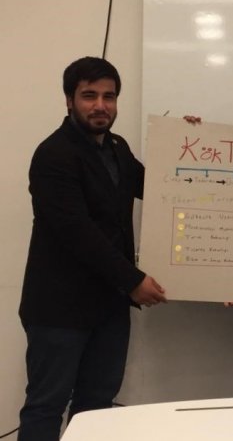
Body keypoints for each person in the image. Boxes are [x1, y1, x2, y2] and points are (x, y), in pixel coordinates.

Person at [18, 57, 167, 441]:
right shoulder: (53, 154)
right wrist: (133, 280)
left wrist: (188, 145)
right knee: (46, 405)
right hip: (59, 309)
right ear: (69, 100)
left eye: (109, 96)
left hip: (109, 308)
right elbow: (77, 232)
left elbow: (162, 188)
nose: (101, 105)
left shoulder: (117, 148)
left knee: (97, 408)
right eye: (89, 96)